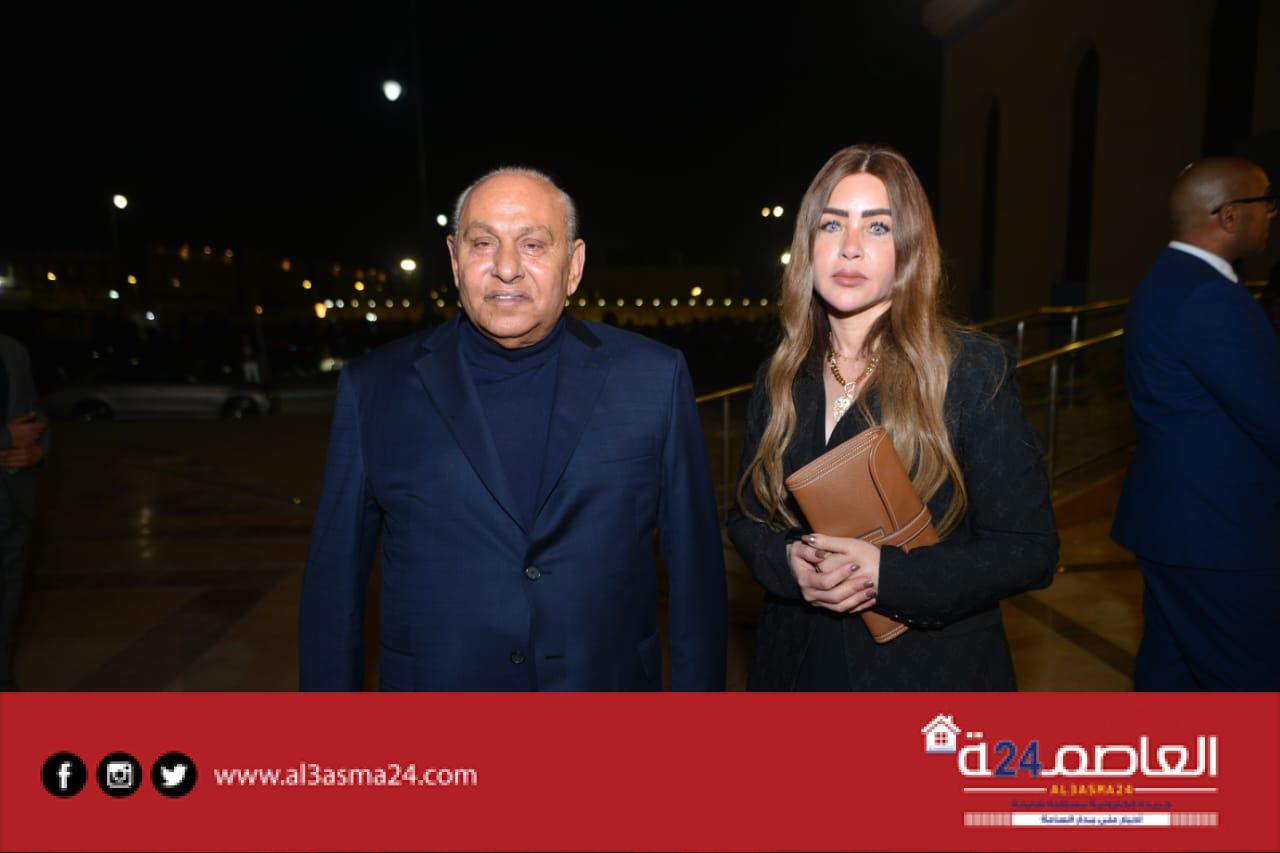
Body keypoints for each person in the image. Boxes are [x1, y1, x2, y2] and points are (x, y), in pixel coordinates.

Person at [299, 167, 727, 691]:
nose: (505, 268)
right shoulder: (374, 388)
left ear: (574, 265)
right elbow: (334, 588)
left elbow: (696, 580)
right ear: (454, 259)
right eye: (483, 243)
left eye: (532, 244)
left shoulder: (654, 379)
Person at [727, 144, 1057, 691]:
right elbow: (745, 517)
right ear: (808, 245)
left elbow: (1029, 551)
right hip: (796, 668)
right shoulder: (780, 375)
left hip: (926, 678)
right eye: (832, 225)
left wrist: (888, 574)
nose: (850, 247)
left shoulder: (969, 370)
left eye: (877, 227)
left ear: (909, 250)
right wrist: (787, 564)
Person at [1111, 157, 1280, 690]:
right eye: (1265, 202)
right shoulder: (1207, 295)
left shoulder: (1169, 280)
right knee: (1250, 687)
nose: (1271, 214)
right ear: (1229, 215)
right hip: (1219, 535)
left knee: (1172, 677)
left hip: (1180, 526)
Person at [0, 334, 50, 691]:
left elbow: (34, 413)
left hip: (13, 505)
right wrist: (5, 439)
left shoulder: (12, 350)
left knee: (7, 609)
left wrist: (38, 450)